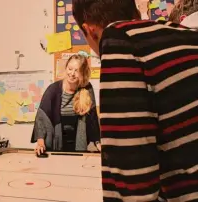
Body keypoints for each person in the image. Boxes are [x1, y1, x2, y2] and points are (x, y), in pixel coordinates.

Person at [72, 0, 198, 201]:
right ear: (136, 13)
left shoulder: (119, 39)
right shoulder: (185, 35)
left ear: (90, 30)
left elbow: (134, 187)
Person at [31, 55, 101, 154]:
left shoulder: (87, 88)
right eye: (70, 69)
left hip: (78, 141)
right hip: (57, 139)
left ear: (83, 73)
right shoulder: (53, 89)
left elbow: (92, 117)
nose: (72, 73)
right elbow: (42, 118)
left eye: (76, 71)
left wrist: (98, 142)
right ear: (66, 68)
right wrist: (41, 143)